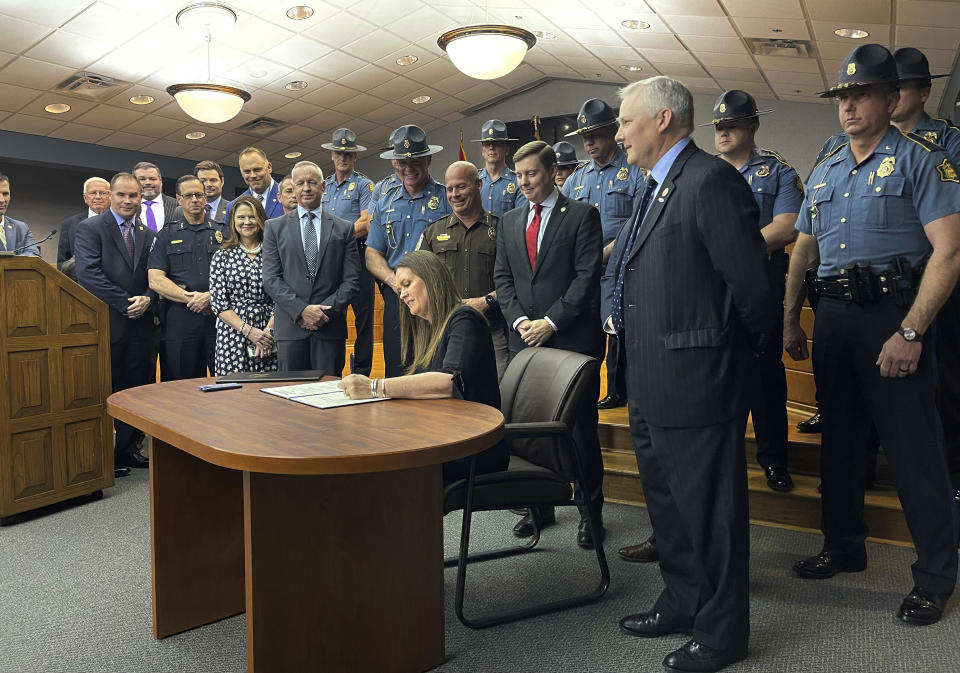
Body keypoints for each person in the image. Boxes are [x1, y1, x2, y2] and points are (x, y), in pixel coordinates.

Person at [783, 44, 960, 627]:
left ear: (891, 99)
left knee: (914, 453)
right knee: (841, 443)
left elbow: (949, 252)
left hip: (892, 316)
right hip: (832, 318)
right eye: (843, 96)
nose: (850, 106)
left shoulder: (922, 159)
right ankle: (843, 546)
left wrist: (911, 330)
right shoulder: (828, 165)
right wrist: (790, 316)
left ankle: (935, 577)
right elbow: (803, 247)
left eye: (862, 95)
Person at [606, 76, 773, 673]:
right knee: (668, 509)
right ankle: (682, 600)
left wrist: (734, 364)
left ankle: (724, 632)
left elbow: (752, 290)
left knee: (711, 515)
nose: (619, 132)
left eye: (627, 121)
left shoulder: (710, 180)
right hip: (650, 380)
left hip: (698, 380)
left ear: (664, 121)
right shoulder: (655, 188)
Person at [493, 140, 605, 549]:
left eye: (532, 174)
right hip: (525, 342)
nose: (524, 182)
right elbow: (503, 280)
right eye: (519, 175)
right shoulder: (508, 222)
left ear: (552, 171)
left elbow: (585, 277)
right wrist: (522, 321)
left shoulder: (581, 216)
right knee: (529, 431)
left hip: (571, 339)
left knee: (579, 432)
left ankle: (591, 514)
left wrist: (550, 322)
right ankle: (537, 507)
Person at [339, 250, 508, 483]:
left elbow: (448, 382)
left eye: (407, 285)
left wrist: (374, 387)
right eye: (399, 290)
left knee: (381, 472)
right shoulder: (427, 328)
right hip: (443, 437)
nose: (402, 295)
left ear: (433, 279)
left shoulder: (464, 319)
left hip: (471, 448)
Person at [711, 89, 802, 492]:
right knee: (715, 378)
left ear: (753, 125)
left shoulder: (777, 172)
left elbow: (788, 226)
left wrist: (735, 250)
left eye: (731, 124)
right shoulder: (703, 172)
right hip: (711, 293)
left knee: (765, 378)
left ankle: (773, 460)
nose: (724, 132)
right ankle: (720, 460)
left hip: (759, 288)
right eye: (718, 126)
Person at [562, 98, 645, 410]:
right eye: (584, 136)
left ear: (613, 131)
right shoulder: (577, 178)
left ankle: (618, 391)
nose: (588, 141)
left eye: (594, 134)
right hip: (584, 273)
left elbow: (637, 223)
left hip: (621, 268)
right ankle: (578, 395)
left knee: (618, 330)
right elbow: (561, 223)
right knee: (585, 335)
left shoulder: (635, 171)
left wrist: (602, 255)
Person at [74, 172, 156, 474]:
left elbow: (157, 274)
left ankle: (127, 451)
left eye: (133, 196)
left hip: (142, 326)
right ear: (111, 196)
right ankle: (98, 455)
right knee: (103, 388)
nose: (127, 201)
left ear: (140, 198)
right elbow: (88, 273)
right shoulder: (91, 228)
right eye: (121, 195)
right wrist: (125, 303)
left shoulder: (148, 234)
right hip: (106, 324)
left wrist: (147, 298)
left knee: (135, 390)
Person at [366, 125, 451, 377]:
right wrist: (395, 282)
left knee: (436, 366)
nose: (409, 167)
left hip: (435, 295)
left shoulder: (447, 199)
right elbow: (372, 254)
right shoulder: (385, 203)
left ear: (428, 159)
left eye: (415, 160)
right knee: (397, 364)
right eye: (402, 161)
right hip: (397, 295)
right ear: (395, 163)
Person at [262, 161, 360, 374]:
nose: (306, 188)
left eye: (312, 182)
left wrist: (321, 313)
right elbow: (271, 278)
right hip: (290, 330)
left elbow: (352, 280)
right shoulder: (274, 228)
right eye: (300, 183)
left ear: (323, 187)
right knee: (290, 400)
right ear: (293, 189)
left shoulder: (344, 229)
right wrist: (301, 311)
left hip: (329, 328)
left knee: (329, 398)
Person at [418, 161, 509, 378]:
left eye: (461, 186)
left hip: (493, 330)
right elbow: (422, 281)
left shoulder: (503, 229)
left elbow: (516, 279)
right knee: (451, 397)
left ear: (478, 184)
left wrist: (486, 301)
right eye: (449, 189)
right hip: (447, 333)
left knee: (499, 397)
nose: (454, 194)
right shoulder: (433, 232)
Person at [148, 175, 230, 380]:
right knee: (182, 381)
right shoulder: (166, 234)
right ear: (179, 199)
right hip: (181, 317)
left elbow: (237, 274)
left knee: (226, 378)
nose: (194, 199)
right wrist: (191, 299)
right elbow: (155, 279)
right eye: (189, 195)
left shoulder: (224, 232)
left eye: (199, 195)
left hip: (220, 316)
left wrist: (211, 297)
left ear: (205, 198)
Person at [321, 128, 376, 376]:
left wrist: (333, 239)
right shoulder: (324, 186)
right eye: (339, 153)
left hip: (358, 258)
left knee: (364, 319)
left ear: (355, 157)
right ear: (332, 155)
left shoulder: (364, 185)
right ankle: (334, 371)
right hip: (330, 263)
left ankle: (362, 373)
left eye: (348, 154)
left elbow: (365, 224)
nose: (343, 158)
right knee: (334, 315)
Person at [209, 195, 276, 376]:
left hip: (269, 332)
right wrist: (249, 331)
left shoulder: (274, 253)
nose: (247, 222)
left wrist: (267, 332)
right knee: (232, 395)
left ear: (261, 219)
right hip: (233, 333)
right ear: (233, 221)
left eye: (252, 216)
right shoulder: (222, 256)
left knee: (268, 393)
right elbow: (219, 304)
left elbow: (282, 297)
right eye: (241, 217)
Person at [57, 176, 110, 279]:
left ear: (111, 197)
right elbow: (62, 263)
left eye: (103, 193)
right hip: (80, 286)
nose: (98, 197)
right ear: (85, 198)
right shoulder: (69, 224)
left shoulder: (120, 222)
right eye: (93, 193)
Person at [471, 119, 526, 217]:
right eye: (487, 144)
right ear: (482, 151)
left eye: (497, 144)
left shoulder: (518, 181)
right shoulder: (473, 180)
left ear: (506, 150)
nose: (491, 148)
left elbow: (520, 219)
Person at [225, 147, 283, 221]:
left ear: (269, 167)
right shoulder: (232, 207)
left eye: (257, 170)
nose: (253, 175)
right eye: (247, 171)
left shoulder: (289, 196)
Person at [0, 172, 40, 256]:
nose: (2, 200)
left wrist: (10, 264)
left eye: (5, 194)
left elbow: (34, 254)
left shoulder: (21, 228)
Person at [132, 161, 176, 232]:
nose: (148, 183)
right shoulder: (126, 207)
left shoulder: (177, 205)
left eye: (152, 179)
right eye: (142, 179)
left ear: (161, 181)